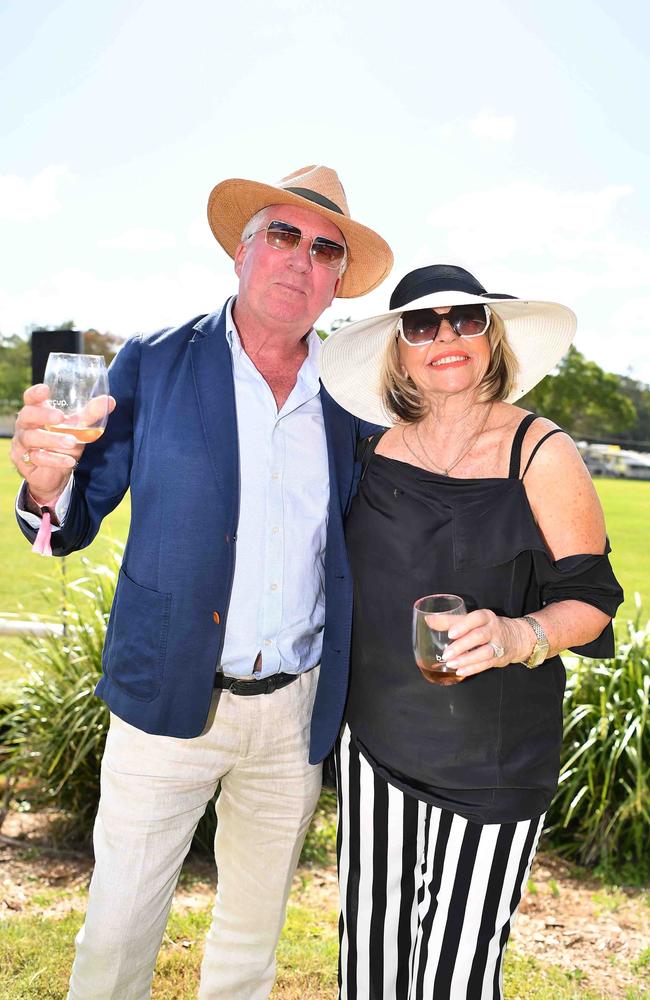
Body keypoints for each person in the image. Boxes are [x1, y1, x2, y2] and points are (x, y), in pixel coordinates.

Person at [10, 165, 392, 1000]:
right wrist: (44, 483)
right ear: (242, 253)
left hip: (296, 713)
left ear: (336, 281)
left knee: (251, 947)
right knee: (116, 937)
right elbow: (70, 511)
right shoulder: (155, 358)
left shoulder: (354, 393)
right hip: (166, 696)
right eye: (282, 236)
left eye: (324, 248)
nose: (300, 258)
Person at [319, 264, 624, 1000]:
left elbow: (593, 600)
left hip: (492, 759)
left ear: (493, 338)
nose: (446, 336)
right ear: (398, 349)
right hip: (376, 747)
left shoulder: (540, 450)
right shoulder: (369, 450)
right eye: (423, 325)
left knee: (456, 972)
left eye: (466, 319)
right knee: (371, 956)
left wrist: (519, 635)